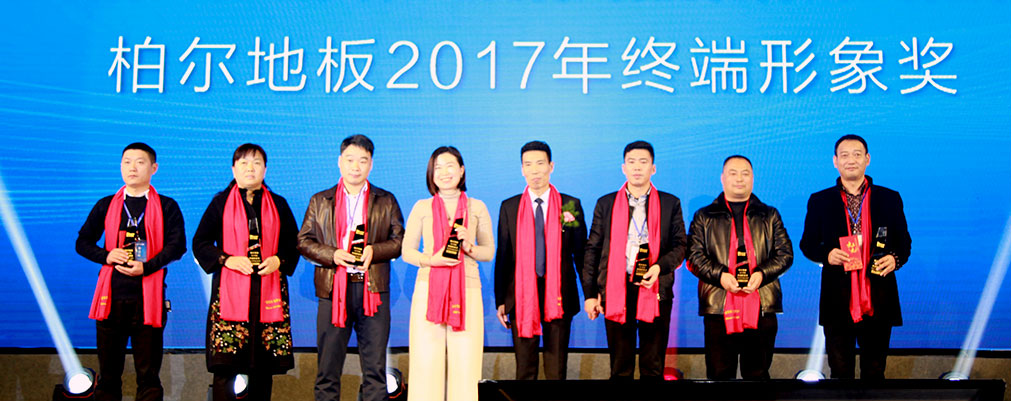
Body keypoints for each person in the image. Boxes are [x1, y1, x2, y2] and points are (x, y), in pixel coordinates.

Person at [297, 134, 404, 400]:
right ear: (339, 161)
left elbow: (400, 241)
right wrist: (333, 254)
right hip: (333, 289)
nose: (356, 166)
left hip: (373, 290)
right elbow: (303, 241)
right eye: (350, 160)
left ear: (371, 164)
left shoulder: (386, 199)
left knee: (376, 370)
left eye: (363, 160)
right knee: (327, 369)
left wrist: (374, 251)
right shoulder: (320, 200)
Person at [76, 142, 186, 400]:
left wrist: (147, 267)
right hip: (111, 298)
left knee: (148, 377)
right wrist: (106, 255)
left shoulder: (167, 206)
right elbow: (82, 242)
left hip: (148, 300)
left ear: (153, 168)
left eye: (139, 162)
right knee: (108, 376)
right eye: (127, 162)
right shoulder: (106, 204)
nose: (132, 168)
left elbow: (177, 246)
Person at [192, 144, 300, 400]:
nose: (250, 168)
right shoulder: (220, 203)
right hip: (230, 294)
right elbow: (200, 243)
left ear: (265, 169)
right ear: (233, 169)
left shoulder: (279, 204)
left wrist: (278, 260)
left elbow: (295, 245)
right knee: (225, 370)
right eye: (244, 163)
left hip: (268, 292)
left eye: (256, 163)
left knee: (263, 370)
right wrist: (227, 260)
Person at [800, 134, 911, 380]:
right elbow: (807, 244)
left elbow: (904, 243)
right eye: (845, 155)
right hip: (838, 299)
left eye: (857, 154)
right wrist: (827, 255)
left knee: (875, 371)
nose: (851, 160)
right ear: (835, 161)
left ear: (867, 159)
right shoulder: (820, 201)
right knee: (840, 372)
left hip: (878, 296)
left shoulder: (889, 198)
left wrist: (894, 259)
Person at [582, 140, 686, 381]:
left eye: (643, 162)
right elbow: (592, 250)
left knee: (653, 366)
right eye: (631, 162)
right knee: (620, 366)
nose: (637, 167)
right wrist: (590, 294)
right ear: (623, 168)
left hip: (655, 286)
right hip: (616, 288)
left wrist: (659, 267)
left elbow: (681, 246)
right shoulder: (606, 204)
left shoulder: (670, 203)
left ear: (653, 168)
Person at [686, 155, 793, 380]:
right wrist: (721, 276)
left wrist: (761, 274)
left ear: (753, 178)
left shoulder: (769, 215)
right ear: (722, 178)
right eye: (733, 173)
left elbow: (785, 255)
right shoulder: (704, 216)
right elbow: (694, 257)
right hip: (719, 306)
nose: (739, 179)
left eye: (745, 173)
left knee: (758, 375)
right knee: (719, 375)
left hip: (762, 304)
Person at [401, 146, 494, 400]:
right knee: (425, 362)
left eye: (450, 166)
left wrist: (469, 246)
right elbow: (407, 251)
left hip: (467, 289)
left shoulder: (477, 207)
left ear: (462, 170)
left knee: (466, 362)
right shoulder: (422, 207)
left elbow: (488, 251)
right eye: (438, 167)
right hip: (428, 289)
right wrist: (433, 260)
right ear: (431, 174)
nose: (444, 172)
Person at [494, 141, 587, 380]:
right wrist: (501, 300)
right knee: (524, 368)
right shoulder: (510, 207)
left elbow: (581, 254)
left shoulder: (569, 205)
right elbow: (504, 256)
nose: (535, 170)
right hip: (521, 295)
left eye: (540, 163)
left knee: (556, 369)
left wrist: (591, 295)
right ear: (522, 169)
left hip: (559, 294)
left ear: (551, 166)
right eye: (528, 165)